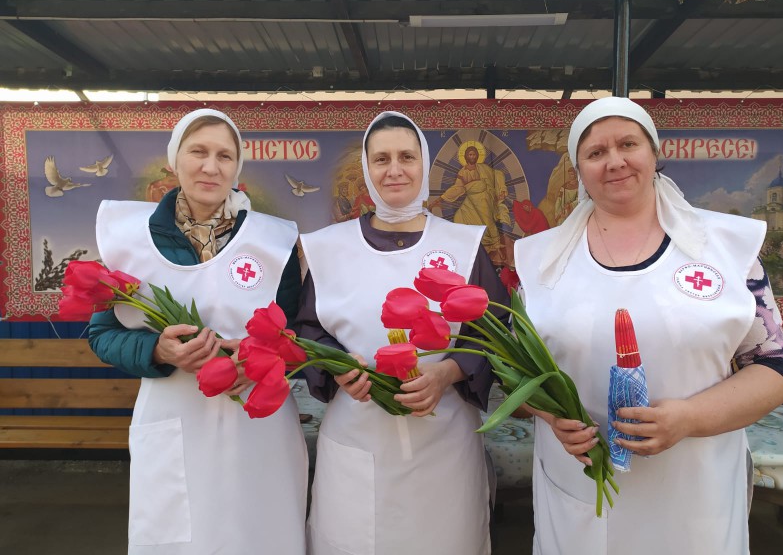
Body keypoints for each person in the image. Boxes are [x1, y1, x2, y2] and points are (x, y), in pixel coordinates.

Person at [514, 97, 783, 554]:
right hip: (581, 487)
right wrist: (551, 414)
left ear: (653, 151)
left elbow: (778, 367)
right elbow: (519, 374)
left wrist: (689, 418)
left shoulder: (725, 247)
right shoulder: (540, 260)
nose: (615, 161)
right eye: (595, 152)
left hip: (694, 489)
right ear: (579, 169)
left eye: (628, 144)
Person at [87, 109, 307, 555]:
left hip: (256, 423)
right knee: (180, 540)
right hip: (174, 420)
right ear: (175, 160)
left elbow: (297, 334)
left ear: (237, 166)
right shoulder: (131, 238)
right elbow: (103, 333)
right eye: (198, 152)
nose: (211, 166)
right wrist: (157, 350)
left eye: (225, 156)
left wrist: (260, 360)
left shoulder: (271, 242)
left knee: (260, 534)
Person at [296, 112, 509, 555]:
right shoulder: (329, 248)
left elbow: (492, 331)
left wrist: (448, 372)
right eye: (381, 159)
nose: (395, 170)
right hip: (357, 437)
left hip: (444, 443)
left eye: (407, 157)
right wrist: (338, 366)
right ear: (367, 169)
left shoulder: (463, 245)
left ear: (424, 165)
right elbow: (308, 327)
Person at [429, 141, 511, 265]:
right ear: (466, 157)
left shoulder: (483, 168)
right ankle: (469, 245)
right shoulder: (463, 172)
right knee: (459, 217)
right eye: (470, 155)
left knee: (487, 221)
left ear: (477, 156)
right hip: (471, 199)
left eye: (474, 154)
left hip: (483, 198)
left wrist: (502, 190)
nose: (472, 157)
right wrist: (440, 199)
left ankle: (496, 246)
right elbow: (458, 188)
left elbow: (497, 175)